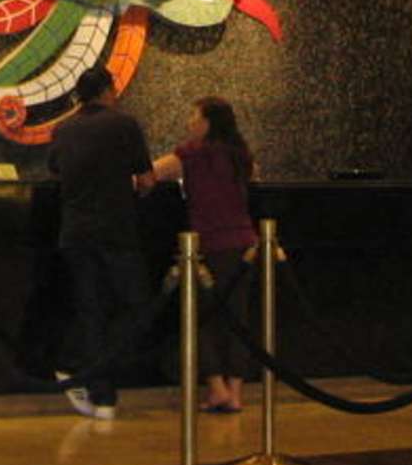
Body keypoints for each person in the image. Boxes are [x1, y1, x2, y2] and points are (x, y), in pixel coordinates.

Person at [47, 66, 154, 420]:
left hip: (75, 231)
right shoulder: (124, 125)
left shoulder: (63, 130)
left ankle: (98, 391)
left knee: (90, 309)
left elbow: (56, 171)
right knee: (134, 304)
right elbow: (146, 179)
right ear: (108, 91)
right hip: (117, 230)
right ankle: (82, 370)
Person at [153, 96, 257, 414]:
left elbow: (152, 173)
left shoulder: (192, 153)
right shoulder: (241, 155)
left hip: (210, 244)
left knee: (200, 318)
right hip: (245, 244)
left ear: (209, 123)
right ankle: (236, 392)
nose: (190, 123)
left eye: (195, 117)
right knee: (238, 319)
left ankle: (217, 388)